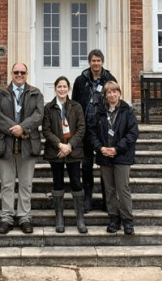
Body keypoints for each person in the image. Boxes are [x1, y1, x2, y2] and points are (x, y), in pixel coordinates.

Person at [0, 62, 44, 234]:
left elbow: (39, 115)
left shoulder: (36, 93)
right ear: (11, 74)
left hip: (28, 145)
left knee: (26, 184)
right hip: (5, 144)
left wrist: (24, 127)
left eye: (22, 72)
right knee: (6, 184)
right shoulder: (0, 93)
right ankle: (6, 217)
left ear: (27, 74)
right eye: (16, 72)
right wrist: (15, 129)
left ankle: (24, 217)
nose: (19, 75)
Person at [90, 81, 139, 235]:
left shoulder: (127, 111)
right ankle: (114, 218)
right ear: (105, 95)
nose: (112, 95)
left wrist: (117, 149)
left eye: (114, 91)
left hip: (122, 156)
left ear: (119, 93)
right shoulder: (100, 112)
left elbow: (132, 134)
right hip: (104, 156)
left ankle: (127, 220)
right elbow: (92, 133)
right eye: (109, 92)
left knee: (122, 188)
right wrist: (100, 148)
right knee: (109, 189)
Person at [72, 49, 117, 213]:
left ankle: (107, 201)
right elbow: (75, 105)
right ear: (89, 62)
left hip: (103, 130)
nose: (96, 64)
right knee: (86, 165)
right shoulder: (80, 80)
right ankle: (87, 200)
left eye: (98, 61)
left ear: (102, 62)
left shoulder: (109, 79)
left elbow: (115, 102)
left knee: (105, 165)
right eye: (93, 61)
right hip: (85, 130)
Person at [41, 76, 88, 234]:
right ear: (55, 89)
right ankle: (59, 218)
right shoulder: (48, 108)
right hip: (56, 152)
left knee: (76, 183)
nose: (62, 89)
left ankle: (80, 218)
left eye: (64, 87)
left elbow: (81, 128)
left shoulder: (76, 106)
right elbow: (46, 130)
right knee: (58, 183)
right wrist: (60, 145)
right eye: (59, 87)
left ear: (68, 89)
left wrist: (69, 146)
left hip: (73, 151)